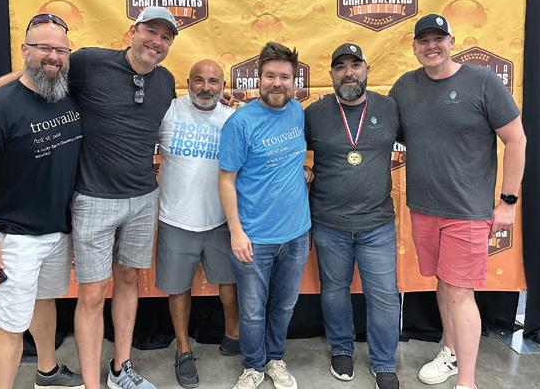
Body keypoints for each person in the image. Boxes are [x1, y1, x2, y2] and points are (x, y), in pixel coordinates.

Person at [0, 6, 180, 389]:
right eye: (150, 31)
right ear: (133, 31)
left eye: (166, 37)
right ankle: (92, 384)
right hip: (89, 202)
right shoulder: (90, 62)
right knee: (90, 295)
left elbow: (46, 67)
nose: (156, 42)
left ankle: (118, 369)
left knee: (125, 281)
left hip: (139, 200)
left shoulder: (165, 80)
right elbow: (32, 72)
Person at [389, 14, 526, 389]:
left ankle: (467, 381)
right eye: (423, 41)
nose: (431, 46)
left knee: (460, 291)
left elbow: (516, 140)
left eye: (438, 38)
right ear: (414, 47)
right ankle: (450, 352)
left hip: (467, 212)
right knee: (445, 284)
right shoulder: (404, 87)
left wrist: (508, 201)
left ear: (451, 42)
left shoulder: (482, 81)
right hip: (423, 209)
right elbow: (380, 132)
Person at [0, 15, 84, 389]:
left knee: (45, 302)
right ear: (25, 49)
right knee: (10, 326)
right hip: (14, 238)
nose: (53, 56)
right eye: (43, 48)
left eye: (60, 50)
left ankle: (48, 372)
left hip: (57, 230)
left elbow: (41, 70)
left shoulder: (65, 90)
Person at [304, 43, 401, 389]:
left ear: (366, 70)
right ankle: (341, 348)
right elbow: (285, 144)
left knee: (385, 295)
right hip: (329, 222)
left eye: (355, 65)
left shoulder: (390, 108)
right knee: (334, 289)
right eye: (341, 67)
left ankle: (384, 361)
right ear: (331, 74)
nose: (349, 73)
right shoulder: (314, 113)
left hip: (377, 224)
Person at [218, 42, 311, 389]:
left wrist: (305, 172)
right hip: (254, 237)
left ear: (294, 81)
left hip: (297, 233)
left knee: (284, 306)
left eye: (284, 77)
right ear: (258, 78)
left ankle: (275, 358)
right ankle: (254, 365)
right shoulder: (240, 122)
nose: (277, 83)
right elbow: (226, 179)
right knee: (253, 310)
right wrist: (236, 232)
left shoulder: (297, 111)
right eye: (270, 76)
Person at [155, 59, 240, 388]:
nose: (206, 88)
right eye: (199, 80)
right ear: (188, 83)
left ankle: (233, 334)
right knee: (178, 289)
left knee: (229, 284)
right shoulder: (169, 111)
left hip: (219, 219)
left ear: (223, 86)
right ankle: (183, 349)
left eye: (213, 81)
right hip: (175, 219)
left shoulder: (231, 118)